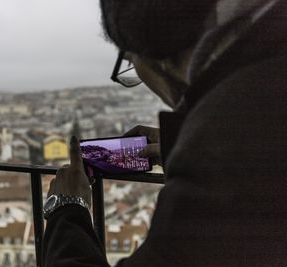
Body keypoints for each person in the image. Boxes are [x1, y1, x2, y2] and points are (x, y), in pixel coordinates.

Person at [43, 0, 287, 266]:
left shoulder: (228, 136)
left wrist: (66, 206)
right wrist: (180, 147)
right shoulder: (265, 82)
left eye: (130, 61)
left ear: (155, 54)